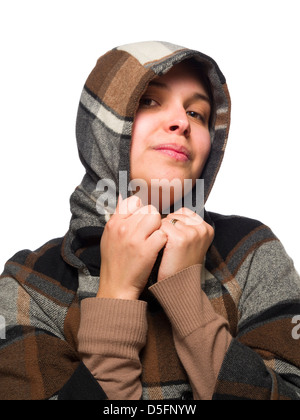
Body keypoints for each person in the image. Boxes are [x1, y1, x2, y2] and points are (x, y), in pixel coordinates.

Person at [0, 41, 300, 401]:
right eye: (149, 101)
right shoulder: (28, 283)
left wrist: (186, 299)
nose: (180, 123)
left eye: (197, 114)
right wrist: (116, 298)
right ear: (102, 126)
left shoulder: (250, 251)